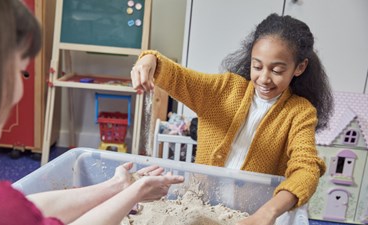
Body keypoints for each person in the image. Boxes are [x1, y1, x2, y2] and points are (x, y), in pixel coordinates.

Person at [0, 0, 184, 225]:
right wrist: (135, 192)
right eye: (20, 71)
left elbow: (22, 209)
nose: (19, 92)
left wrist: (118, 186)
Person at [131, 13, 333, 225]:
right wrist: (149, 59)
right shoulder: (224, 89)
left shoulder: (300, 112)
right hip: (201, 206)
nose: (264, 78)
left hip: (252, 214)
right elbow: (175, 76)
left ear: (299, 68)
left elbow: (307, 169)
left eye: (277, 70)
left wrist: (268, 213)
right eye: (257, 66)